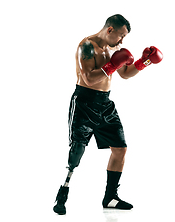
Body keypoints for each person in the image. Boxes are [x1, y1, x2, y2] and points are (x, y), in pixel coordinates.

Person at [53, 14, 163, 215]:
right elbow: (88, 78)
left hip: (105, 104)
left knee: (120, 149)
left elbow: (125, 74)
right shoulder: (86, 46)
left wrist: (145, 62)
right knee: (77, 150)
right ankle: (63, 192)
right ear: (110, 29)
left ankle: (110, 197)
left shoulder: (114, 49)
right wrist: (113, 64)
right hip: (84, 102)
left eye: (124, 38)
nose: (122, 41)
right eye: (120, 36)